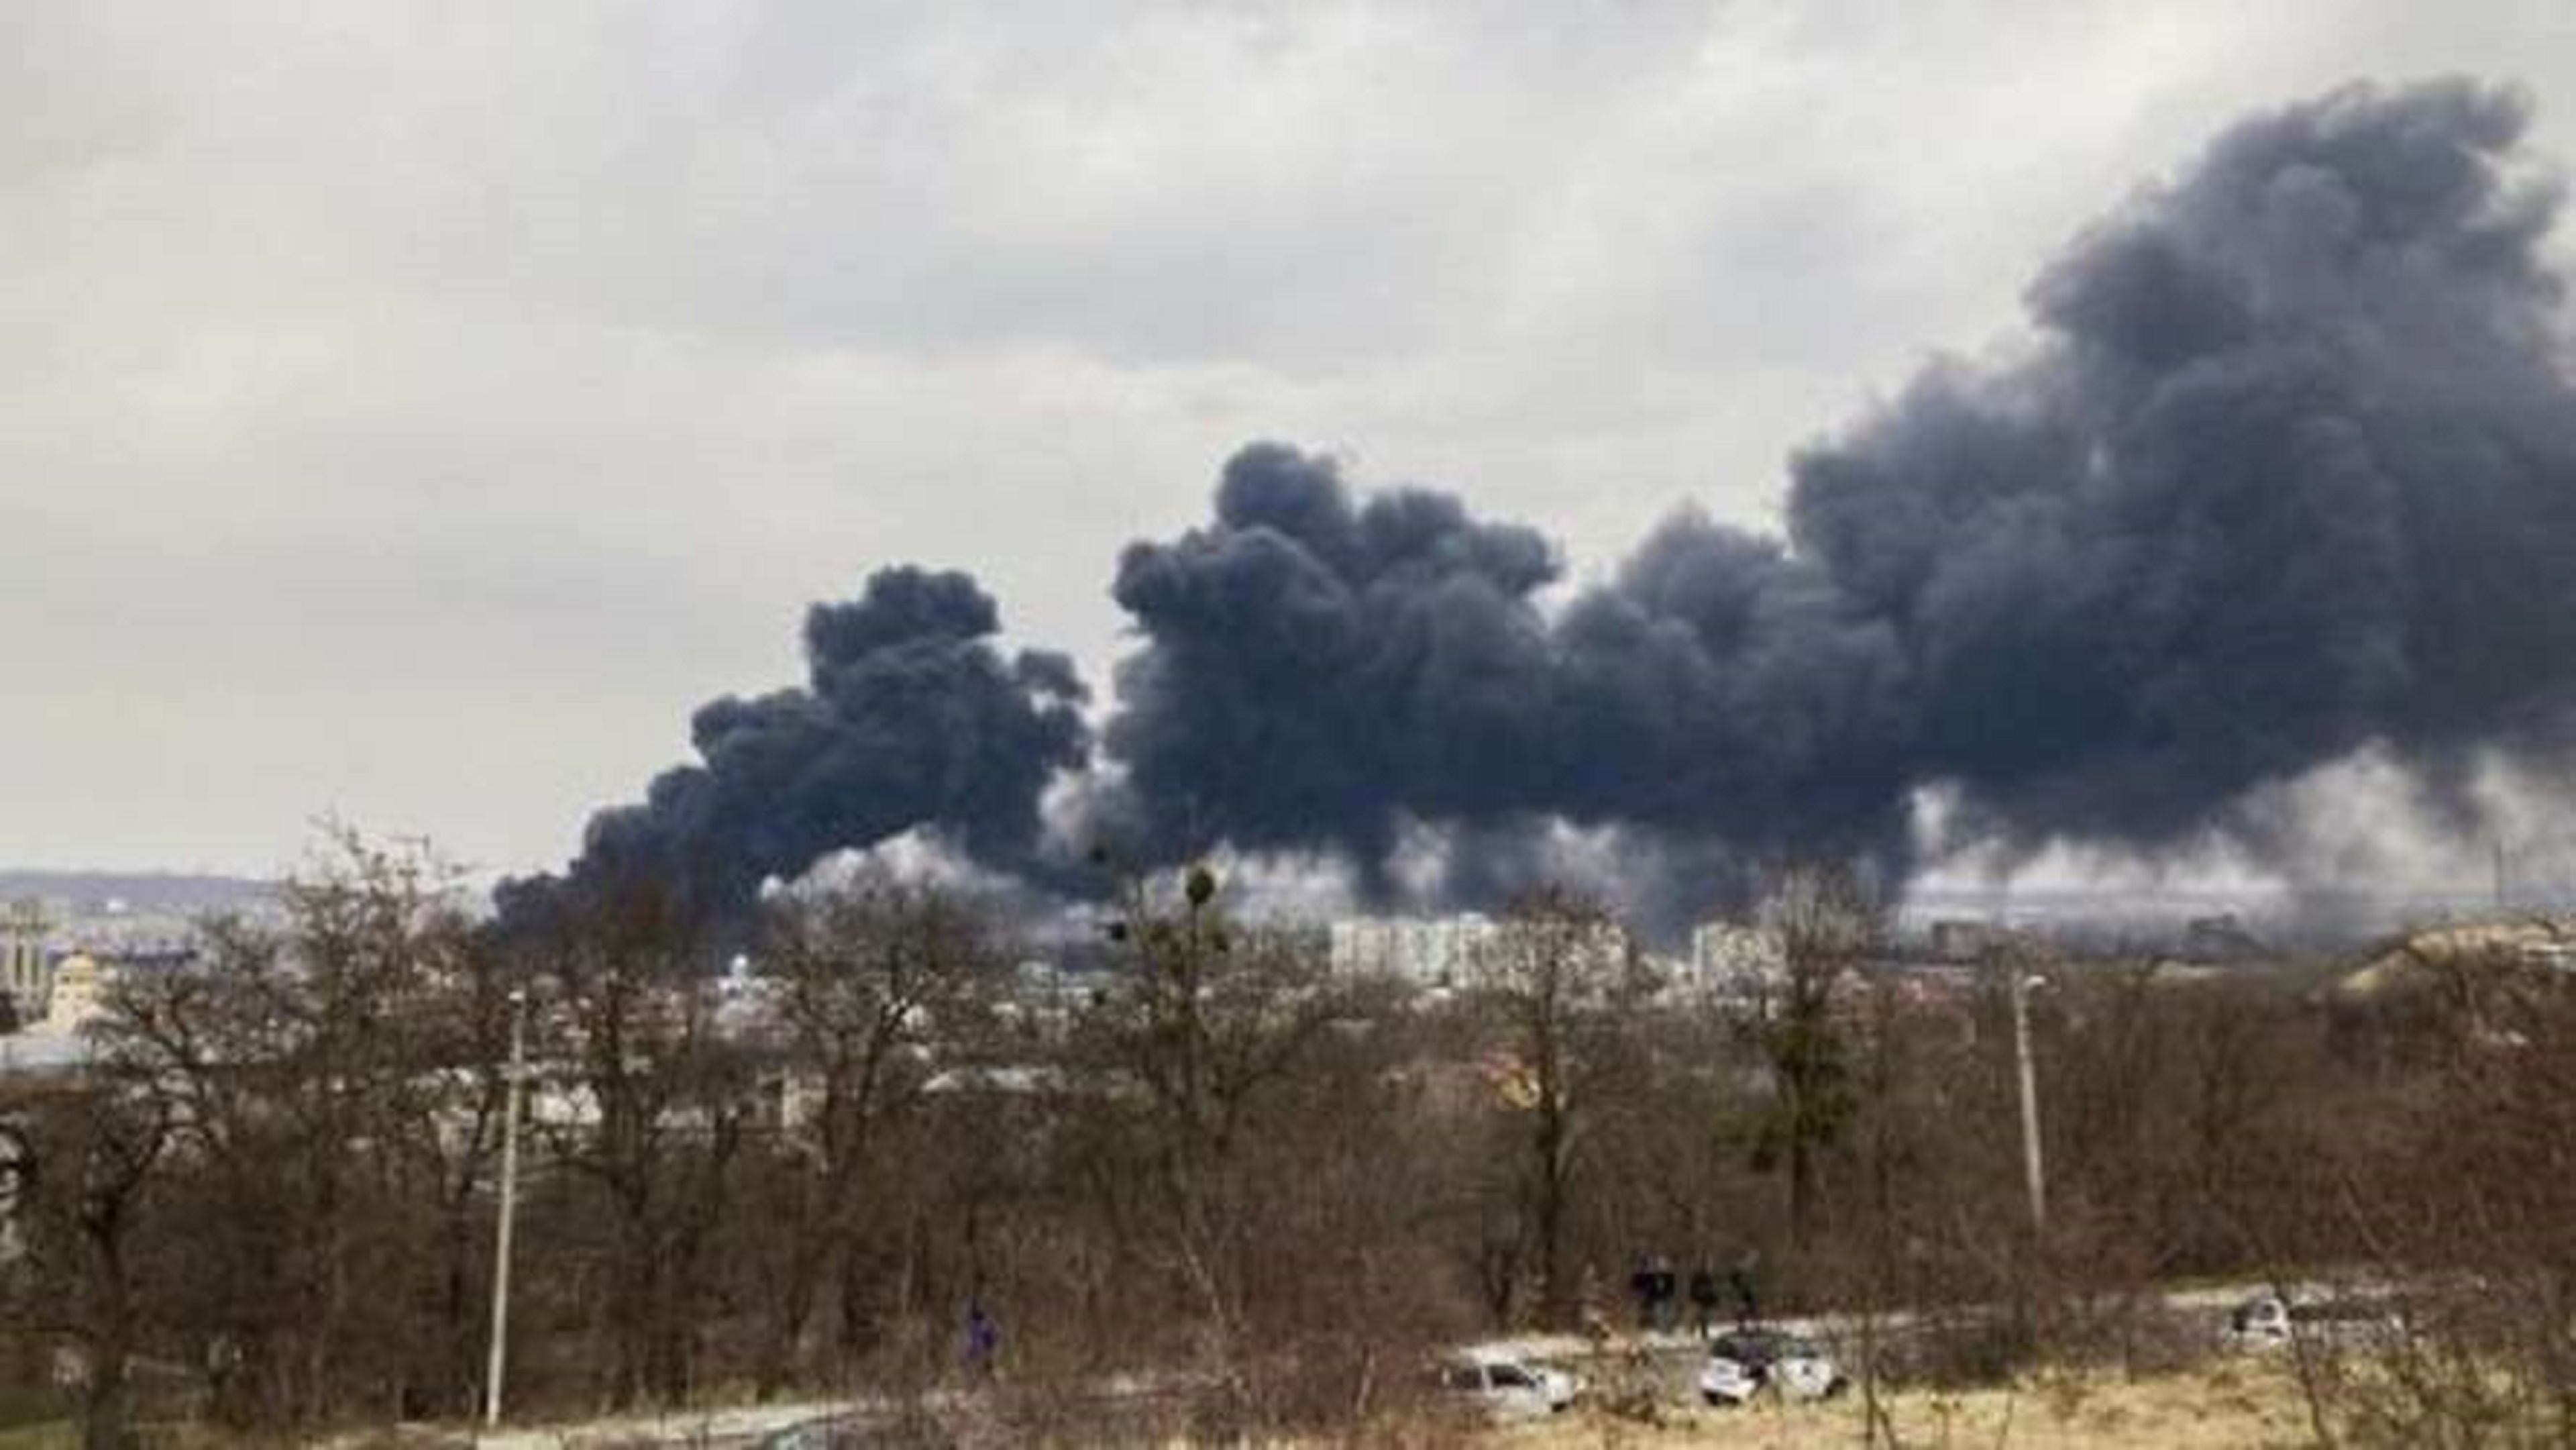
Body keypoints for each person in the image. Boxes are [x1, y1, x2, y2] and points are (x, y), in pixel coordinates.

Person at [964, 1300, 1000, 1378]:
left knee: (986, 1367)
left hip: (983, 1348)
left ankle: (980, 1381)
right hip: (982, 1348)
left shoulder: (983, 1324)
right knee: (986, 1367)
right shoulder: (979, 1324)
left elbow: (993, 1336)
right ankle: (977, 1381)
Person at [1688, 1265, 1721, 1339]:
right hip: (1698, 1301)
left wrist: (1714, 1300)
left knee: (1703, 1319)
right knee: (1697, 1318)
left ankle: (1702, 1333)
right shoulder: (1696, 1280)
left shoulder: (1707, 1280)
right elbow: (1693, 1291)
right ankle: (1693, 1332)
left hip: (1704, 1302)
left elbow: (1711, 1291)